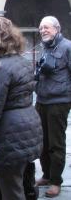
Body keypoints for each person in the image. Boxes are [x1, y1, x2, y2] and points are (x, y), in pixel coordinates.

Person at [0, 17, 42, 200]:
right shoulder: (21, 61)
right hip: (28, 124)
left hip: (10, 131)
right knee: (18, 180)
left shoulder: (1, 67)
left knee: (10, 186)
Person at [34, 16, 71, 198]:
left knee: (56, 144)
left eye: (46, 28)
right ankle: (47, 175)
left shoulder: (67, 47)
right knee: (42, 141)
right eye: (41, 28)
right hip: (41, 100)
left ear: (57, 28)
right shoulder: (44, 47)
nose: (43, 31)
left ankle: (56, 181)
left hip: (59, 102)